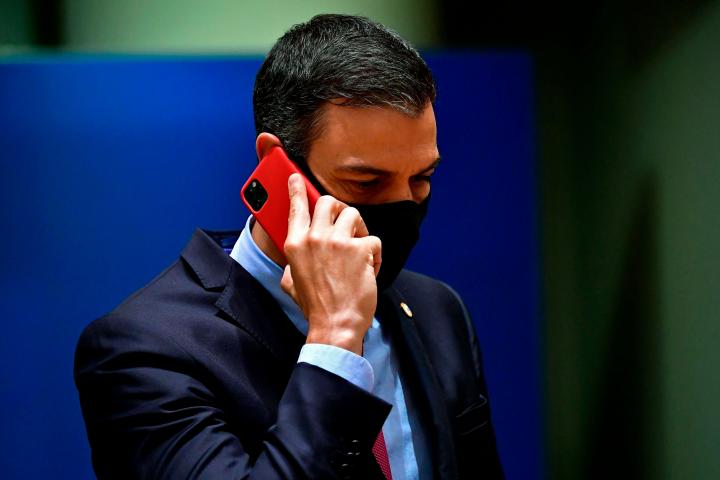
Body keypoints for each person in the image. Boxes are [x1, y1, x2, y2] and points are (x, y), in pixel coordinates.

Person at [74, 14, 504, 480]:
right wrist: (335, 340)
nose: (401, 208)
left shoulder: (438, 310)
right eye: (365, 182)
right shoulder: (146, 350)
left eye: (421, 179)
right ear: (275, 166)